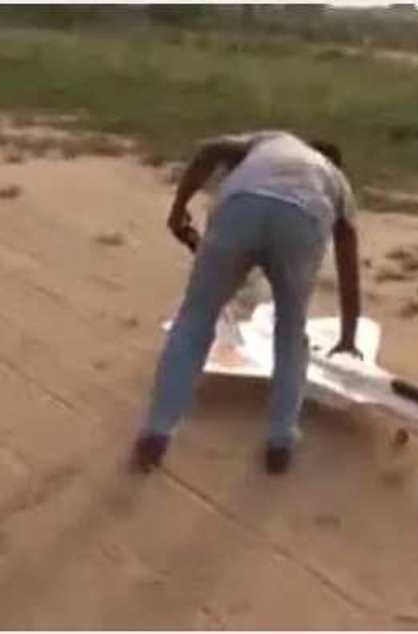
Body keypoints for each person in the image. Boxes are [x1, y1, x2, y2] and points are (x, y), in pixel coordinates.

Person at [134, 130, 362, 475]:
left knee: (195, 320)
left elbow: (209, 148)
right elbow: (349, 270)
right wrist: (348, 337)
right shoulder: (338, 183)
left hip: (240, 205)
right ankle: (280, 442)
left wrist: (179, 208)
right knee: (290, 332)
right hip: (303, 220)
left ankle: (156, 432)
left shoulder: (272, 140)